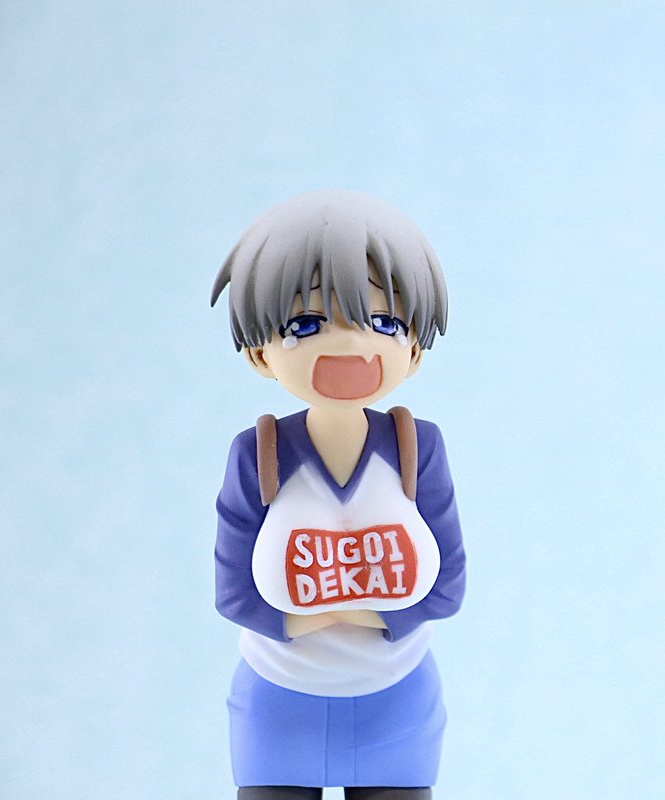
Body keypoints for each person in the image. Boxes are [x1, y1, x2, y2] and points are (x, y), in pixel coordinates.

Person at [211, 190, 465, 800]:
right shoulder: (257, 454)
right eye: (305, 325)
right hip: (278, 704)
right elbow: (234, 594)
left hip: (395, 704)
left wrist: (330, 613)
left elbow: (448, 586)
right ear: (259, 353)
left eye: (384, 323)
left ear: (413, 350)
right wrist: (347, 613)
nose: (349, 345)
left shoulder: (417, 448)